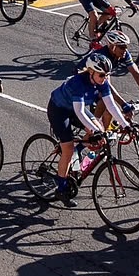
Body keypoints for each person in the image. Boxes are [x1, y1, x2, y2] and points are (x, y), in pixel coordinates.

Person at [45, 53, 129, 201]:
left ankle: (79, 150)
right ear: (91, 72)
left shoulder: (103, 82)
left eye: (107, 75)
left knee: (101, 131)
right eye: (102, 75)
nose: (105, 79)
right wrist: (94, 131)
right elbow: (80, 112)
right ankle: (61, 187)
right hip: (59, 111)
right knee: (68, 149)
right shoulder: (79, 82)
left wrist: (126, 125)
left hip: (76, 110)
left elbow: (111, 105)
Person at [85, 27, 139, 104]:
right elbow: (107, 86)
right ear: (112, 46)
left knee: (109, 102)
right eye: (122, 47)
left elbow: (136, 73)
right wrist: (123, 104)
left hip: (97, 78)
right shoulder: (103, 58)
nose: (125, 50)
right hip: (84, 80)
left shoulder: (124, 54)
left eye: (126, 47)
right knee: (105, 101)